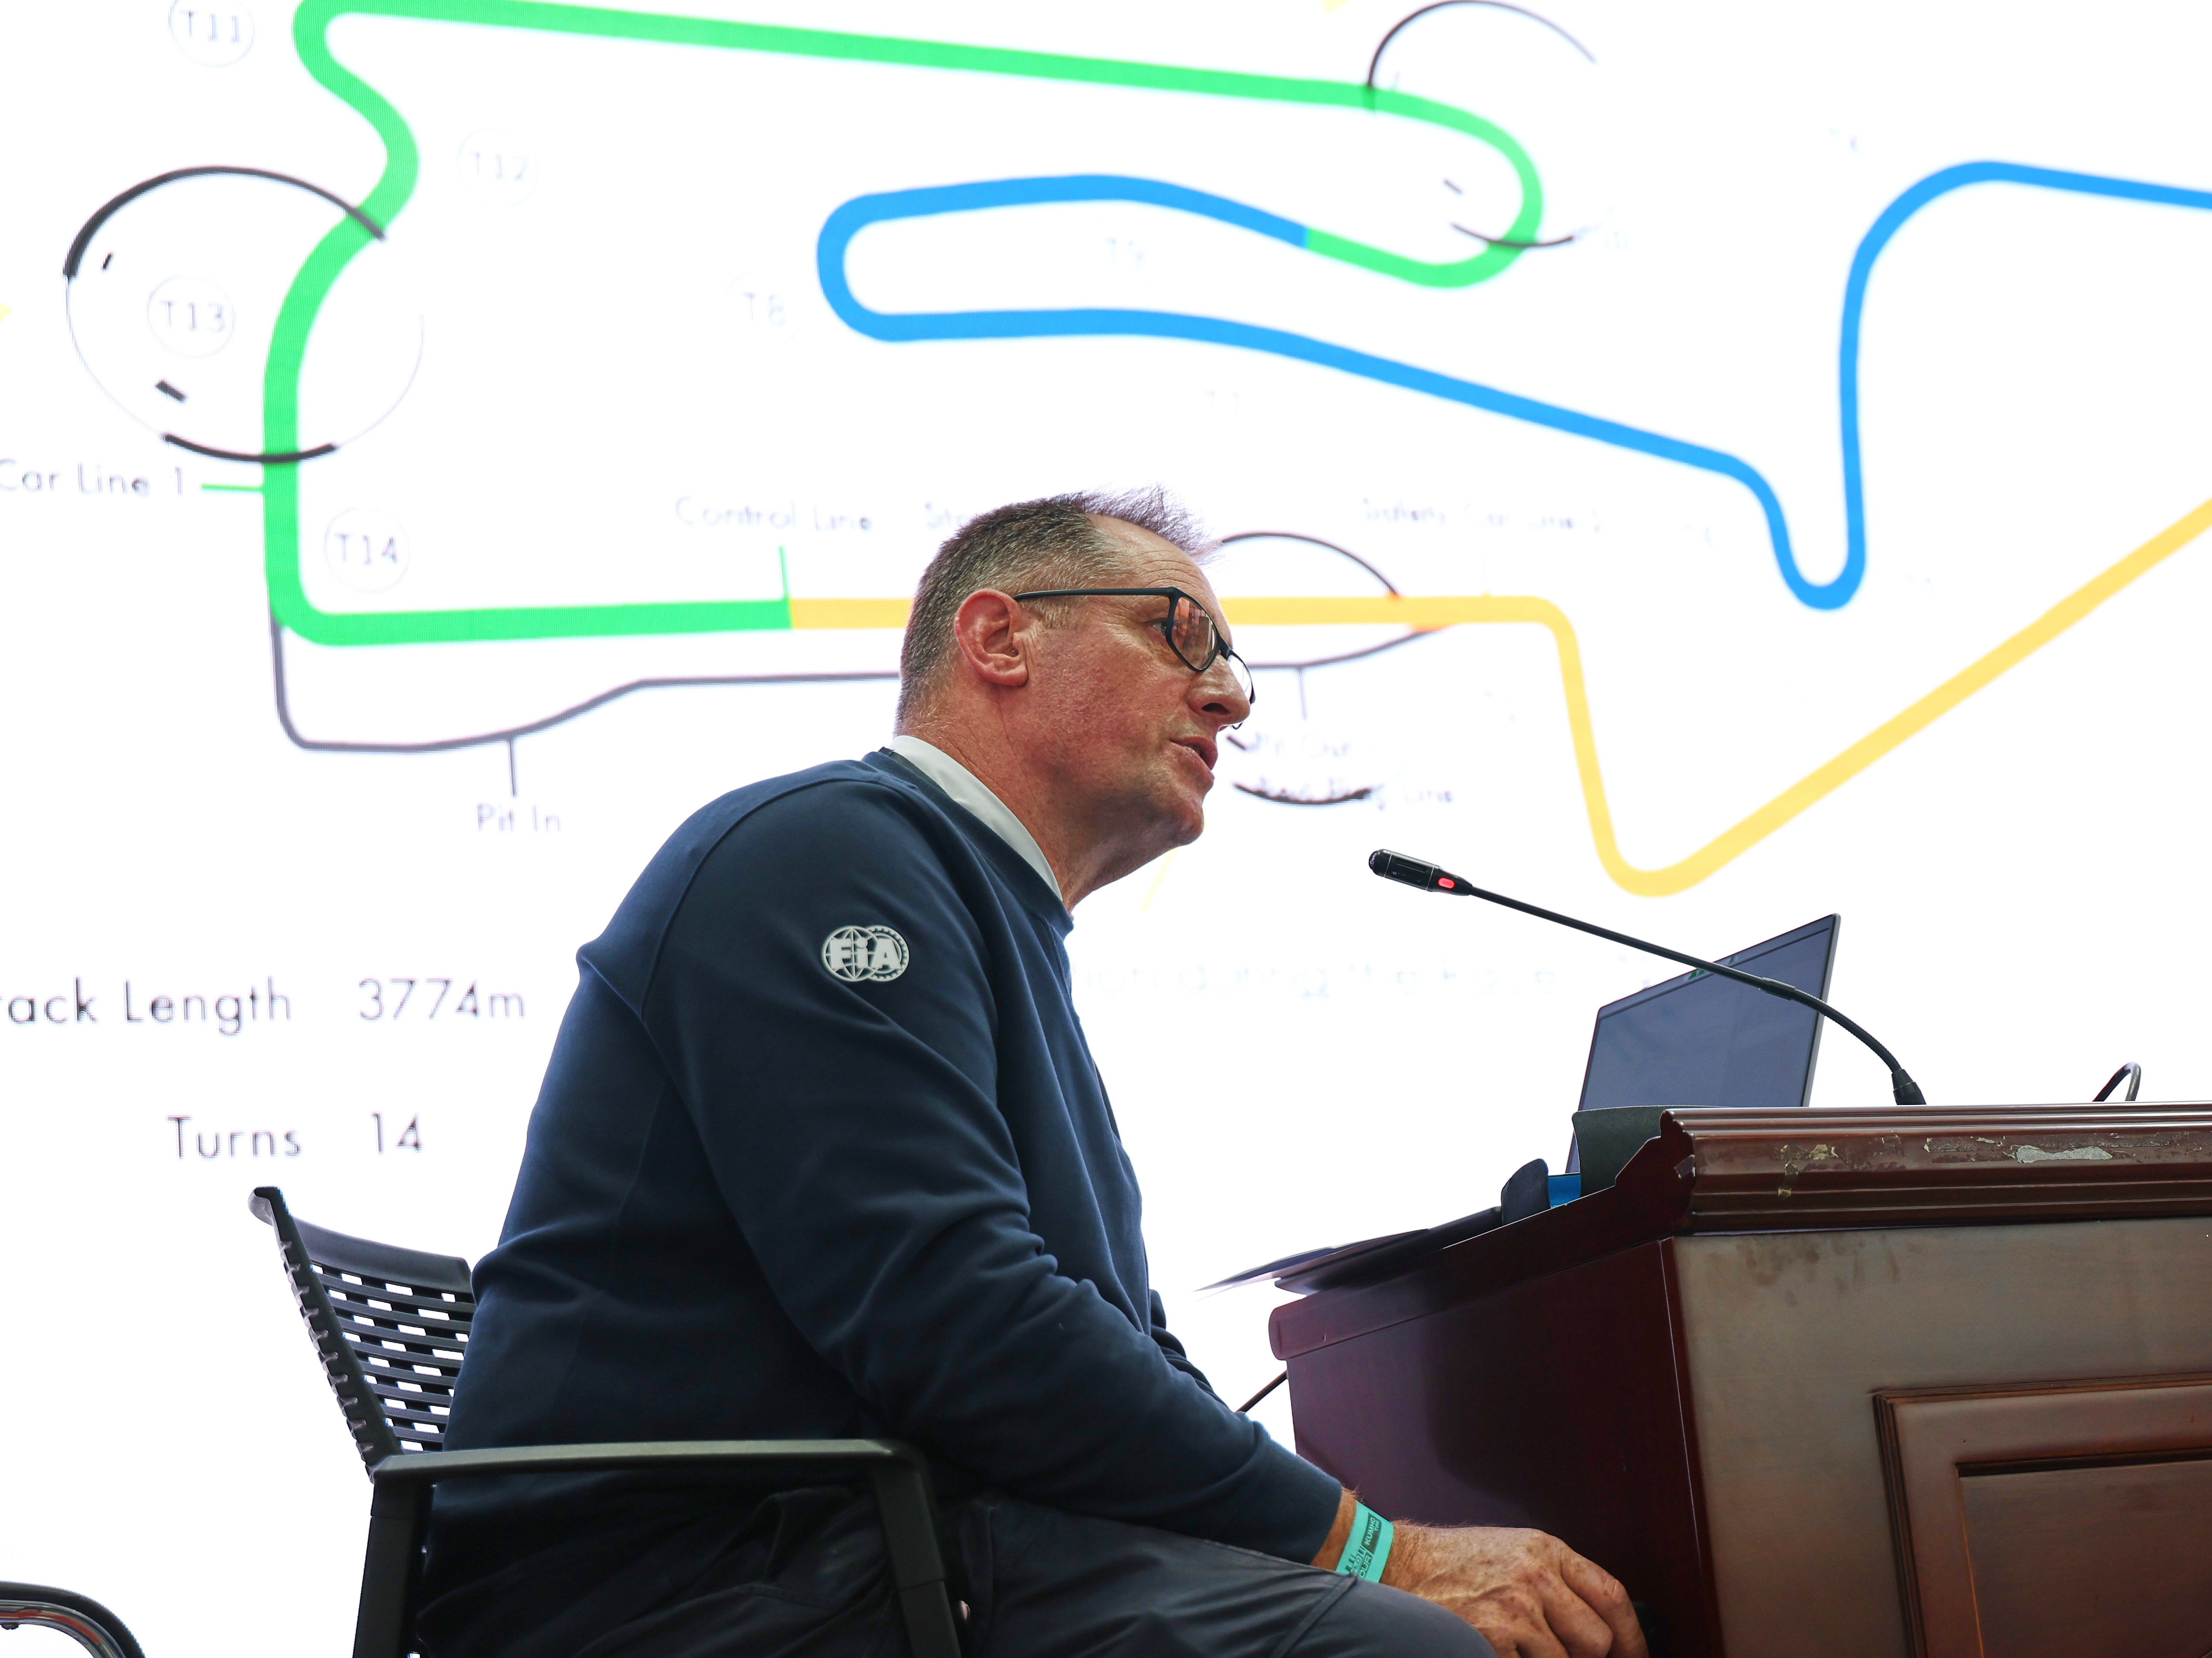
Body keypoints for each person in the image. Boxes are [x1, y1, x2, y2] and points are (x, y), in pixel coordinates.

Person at [420, 490, 1648, 1658]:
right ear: (1001, 638)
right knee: (1413, 1643)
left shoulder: (981, 916)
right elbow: (960, 1320)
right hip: (690, 1589)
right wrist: (1373, 1552)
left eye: (1235, 666)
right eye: (1180, 633)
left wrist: (1348, 1543)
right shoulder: (825, 856)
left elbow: (1106, 1344)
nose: (1228, 698)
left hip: (885, 1550)